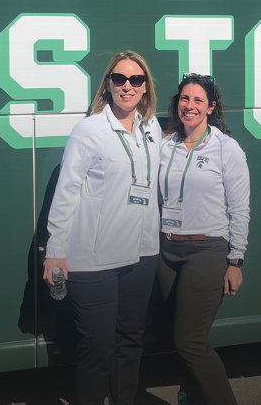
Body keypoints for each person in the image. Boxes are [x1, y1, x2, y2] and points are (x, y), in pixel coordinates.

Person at [42, 51, 162, 405]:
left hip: (142, 255)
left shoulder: (151, 127)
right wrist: (54, 250)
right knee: (96, 346)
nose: (127, 86)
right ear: (108, 85)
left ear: (145, 88)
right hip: (94, 260)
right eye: (120, 79)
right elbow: (67, 192)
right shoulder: (89, 130)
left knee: (130, 339)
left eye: (136, 80)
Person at [158, 74, 250, 405]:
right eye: (185, 99)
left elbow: (240, 209)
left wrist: (235, 260)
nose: (190, 105)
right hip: (167, 252)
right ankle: (191, 397)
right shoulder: (164, 145)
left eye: (198, 100)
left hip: (207, 252)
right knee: (179, 337)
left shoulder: (227, 149)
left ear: (211, 107)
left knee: (191, 341)